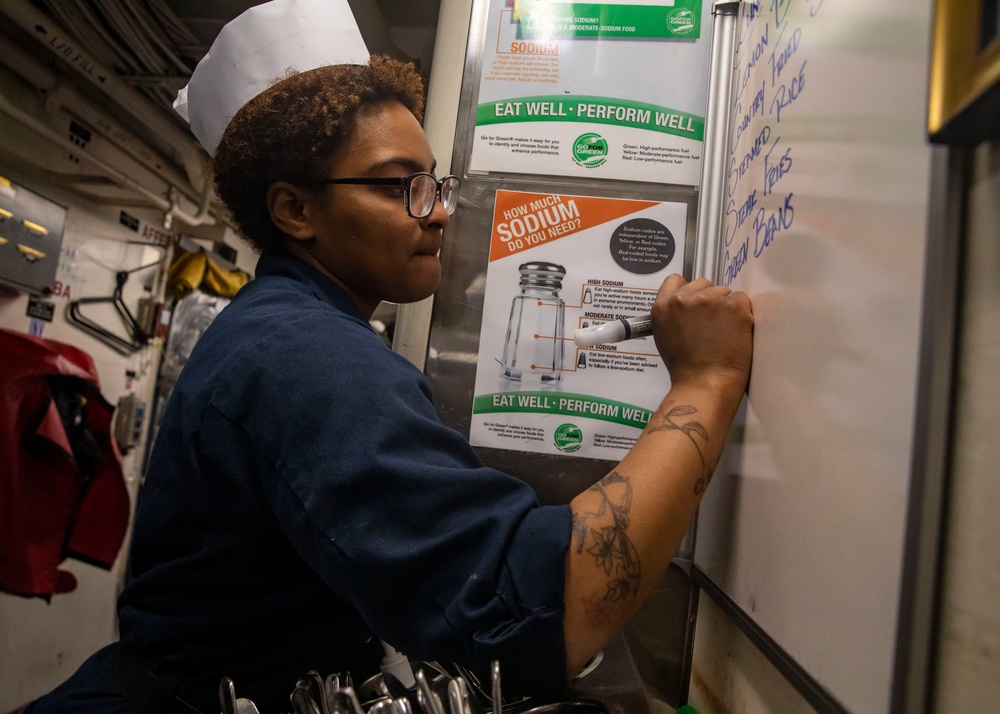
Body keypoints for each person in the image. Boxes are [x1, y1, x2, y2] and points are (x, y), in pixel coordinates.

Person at [25, 4, 753, 714]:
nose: (436, 209)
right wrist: (708, 377)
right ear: (294, 211)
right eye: (397, 185)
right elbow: (548, 606)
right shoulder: (302, 356)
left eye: (433, 181)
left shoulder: (293, 330)